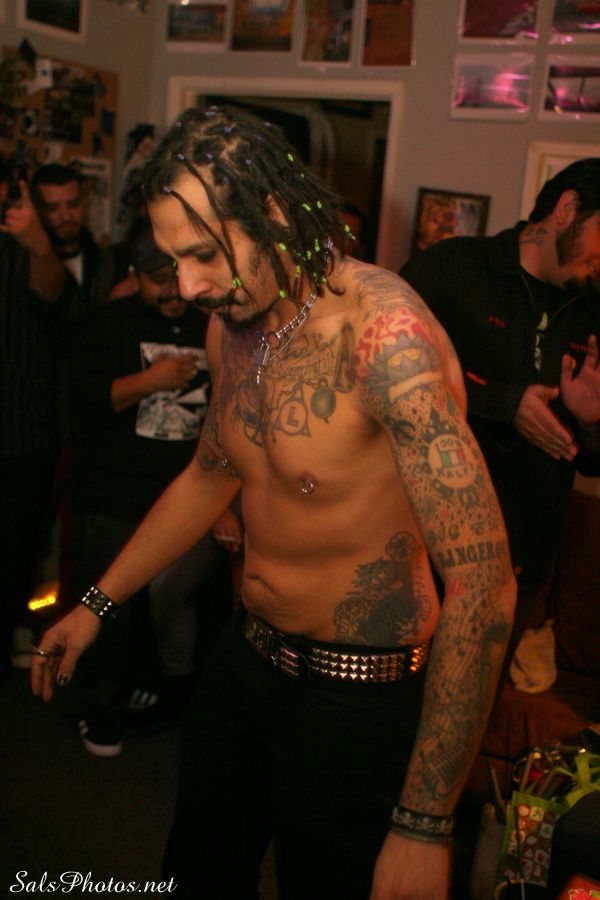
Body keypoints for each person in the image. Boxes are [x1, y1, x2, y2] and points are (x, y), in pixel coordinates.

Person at [32, 106, 516, 900]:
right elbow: (209, 473)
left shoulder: (386, 339)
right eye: (173, 260)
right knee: (195, 875)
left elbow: (484, 586)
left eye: (203, 254)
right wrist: (96, 604)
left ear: (275, 214)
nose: (188, 285)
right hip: (245, 662)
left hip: (359, 697)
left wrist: (425, 823)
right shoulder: (233, 323)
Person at [400, 159, 600, 665]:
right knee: (401, 703)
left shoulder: (593, 311)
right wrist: (504, 404)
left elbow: (592, 461)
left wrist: (589, 421)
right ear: (567, 209)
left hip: (521, 567)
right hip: (424, 553)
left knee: (478, 705)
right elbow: (384, 382)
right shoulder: (452, 267)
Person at [62, 224, 238, 755]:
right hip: (113, 491)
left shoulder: (210, 325)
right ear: (134, 277)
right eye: (158, 279)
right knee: (105, 603)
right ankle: (96, 708)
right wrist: (150, 381)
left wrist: (225, 502)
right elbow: (82, 402)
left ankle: (155, 689)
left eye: (176, 278)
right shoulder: (109, 324)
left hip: (184, 494)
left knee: (174, 596)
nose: (171, 291)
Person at [0, 159, 66, 679]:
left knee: (15, 554)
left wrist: (38, 243)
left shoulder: (27, 244)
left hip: (22, 431)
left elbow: (53, 291)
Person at [30, 163, 117, 317]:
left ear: (84, 201)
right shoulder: (27, 264)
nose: (66, 217)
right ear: (39, 210)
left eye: (73, 204)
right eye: (53, 208)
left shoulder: (104, 261)